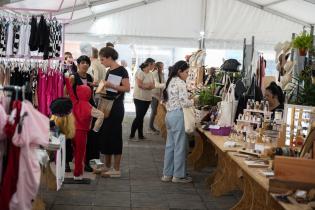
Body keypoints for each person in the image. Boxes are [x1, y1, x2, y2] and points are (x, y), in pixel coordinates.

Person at [97, 47, 130, 177]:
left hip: (115, 107)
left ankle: (116, 169)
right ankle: (107, 166)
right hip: (106, 104)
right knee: (105, 135)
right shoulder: (109, 70)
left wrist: (112, 85)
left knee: (115, 136)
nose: (101, 62)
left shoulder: (122, 70)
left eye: (102, 59)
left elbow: (127, 88)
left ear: (110, 57)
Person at [64, 75, 104, 180]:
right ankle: (77, 174)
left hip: (72, 130)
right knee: (80, 154)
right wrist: (96, 128)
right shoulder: (90, 107)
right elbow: (101, 115)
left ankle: (76, 170)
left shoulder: (75, 102)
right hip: (82, 133)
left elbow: (70, 91)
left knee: (75, 150)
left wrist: (67, 80)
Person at [161, 60, 193, 183]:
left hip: (169, 115)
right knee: (180, 146)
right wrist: (193, 101)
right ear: (180, 71)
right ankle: (178, 175)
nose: (187, 75)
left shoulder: (169, 81)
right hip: (178, 115)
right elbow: (184, 102)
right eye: (186, 72)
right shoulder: (180, 83)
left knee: (170, 146)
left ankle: (167, 174)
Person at [68, 55, 97, 172]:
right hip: (75, 110)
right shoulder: (73, 77)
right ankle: (70, 161)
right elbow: (66, 92)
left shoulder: (90, 76)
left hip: (87, 110)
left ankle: (85, 162)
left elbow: (91, 95)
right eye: (83, 62)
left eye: (87, 63)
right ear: (78, 64)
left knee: (86, 137)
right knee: (74, 136)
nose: (85, 65)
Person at [129, 58, 155, 140]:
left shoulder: (150, 74)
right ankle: (132, 135)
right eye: (153, 64)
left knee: (141, 117)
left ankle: (140, 135)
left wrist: (147, 86)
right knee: (139, 117)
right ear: (149, 64)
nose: (154, 66)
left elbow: (153, 85)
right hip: (139, 98)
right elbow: (140, 85)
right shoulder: (140, 72)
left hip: (147, 98)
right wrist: (148, 86)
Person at [149, 62, 165, 134]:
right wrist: (167, 84)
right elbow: (157, 85)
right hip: (153, 94)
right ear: (157, 67)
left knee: (155, 111)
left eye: (163, 67)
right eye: (161, 67)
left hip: (158, 95)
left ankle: (152, 126)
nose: (162, 68)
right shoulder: (154, 73)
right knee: (154, 111)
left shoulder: (162, 74)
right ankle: (151, 127)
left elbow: (162, 84)